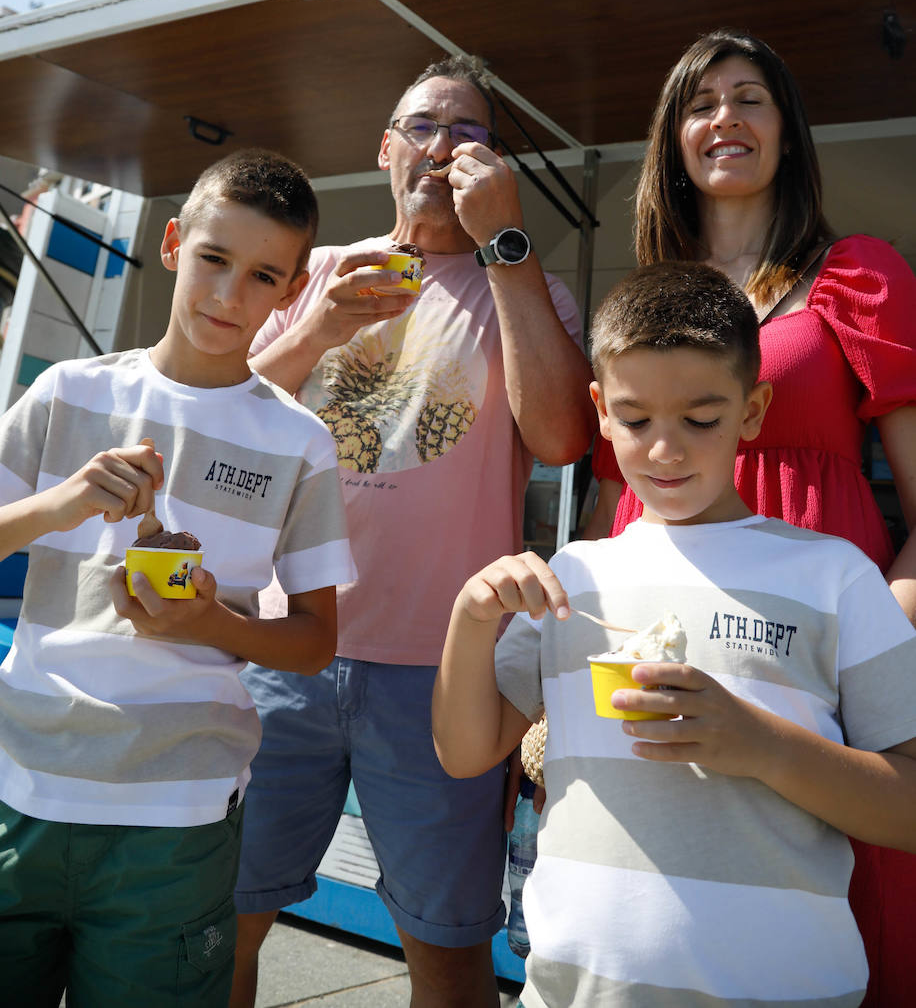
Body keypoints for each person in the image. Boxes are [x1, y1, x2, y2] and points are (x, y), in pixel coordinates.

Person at [433, 260, 916, 1008]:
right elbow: (465, 751)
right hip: (574, 994)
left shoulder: (835, 579)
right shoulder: (576, 576)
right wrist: (470, 619)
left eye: (701, 418)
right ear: (600, 408)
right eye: (635, 419)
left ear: (753, 411)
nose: (666, 450)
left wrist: (760, 745)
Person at [231, 54, 596, 1008]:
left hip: (444, 675)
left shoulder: (531, 289)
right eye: (425, 126)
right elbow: (221, 417)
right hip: (284, 649)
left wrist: (504, 241)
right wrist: (315, 330)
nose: (443, 147)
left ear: (496, 162)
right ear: (386, 147)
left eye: (469, 132)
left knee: (444, 947)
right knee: (220, 919)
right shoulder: (311, 273)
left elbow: (561, 435)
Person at [587, 29, 916, 1001]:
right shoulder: (644, 301)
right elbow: (620, 495)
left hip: (825, 650)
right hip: (666, 642)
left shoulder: (856, 274)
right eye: (699, 102)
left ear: (786, 132)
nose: (723, 118)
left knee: (843, 909)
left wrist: (886, 624)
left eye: (748, 98)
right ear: (671, 140)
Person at [0, 148, 355, 1008]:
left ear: (293, 289)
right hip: (20, 791)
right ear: (171, 244)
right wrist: (62, 506)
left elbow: (314, 643)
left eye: (263, 274)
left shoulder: (300, 441)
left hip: (178, 819)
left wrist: (209, 626)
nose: (230, 296)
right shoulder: (67, 392)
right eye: (214, 259)